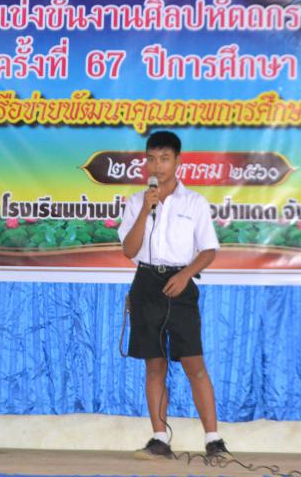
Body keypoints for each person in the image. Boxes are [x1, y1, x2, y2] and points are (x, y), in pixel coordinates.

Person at [117, 130, 232, 462]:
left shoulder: (194, 202)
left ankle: (214, 441)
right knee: (154, 365)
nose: (157, 165)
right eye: (151, 159)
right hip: (146, 284)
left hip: (181, 283)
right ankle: (159, 439)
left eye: (165, 158)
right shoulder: (137, 202)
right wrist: (145, 211)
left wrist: (184, 275)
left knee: (194, 363)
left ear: (178, 161)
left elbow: (208, 250)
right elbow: (129, 250)